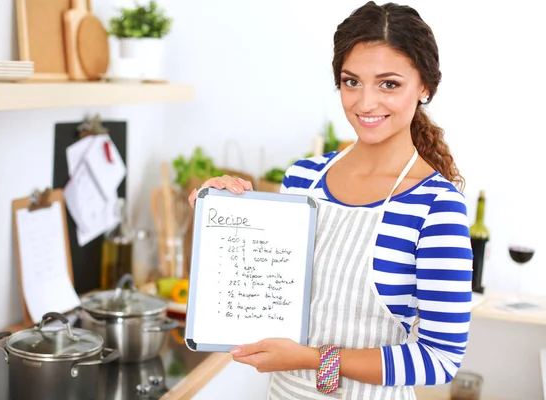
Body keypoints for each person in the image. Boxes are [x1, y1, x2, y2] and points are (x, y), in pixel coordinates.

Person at [188, 1, 472, 398]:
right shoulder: (303, 178)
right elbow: (268, 299)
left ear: (424, 87)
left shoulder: (437, 207)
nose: (365, 102)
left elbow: (440, 359)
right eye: (351, 81)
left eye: (389, 84)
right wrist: (218, 216)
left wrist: (311, 359)